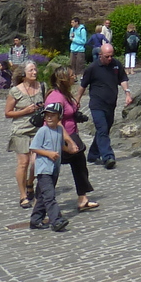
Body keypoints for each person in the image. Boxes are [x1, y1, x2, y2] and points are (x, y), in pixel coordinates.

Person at [46, 67, 97, 213]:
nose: (75, 77)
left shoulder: (65, 94)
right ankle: (41, 203)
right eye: (72, 75)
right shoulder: (55, 97)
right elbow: (54, 121)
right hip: (58, 140)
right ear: (64, 79)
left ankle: (83, 198)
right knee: (51, 173)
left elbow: (68, 112)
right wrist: (69, 141)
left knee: (80, 166)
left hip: (72, 135)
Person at [77, 43, 131, 170]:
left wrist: (127, 93)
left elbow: (122, 78)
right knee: (102, 129)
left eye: (111, 56)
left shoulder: (116, 64)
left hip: (111, 104)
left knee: (105, 130)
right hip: (97, 104)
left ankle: (92, 154)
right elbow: (83, 85)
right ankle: (108, 157)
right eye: (107, 56)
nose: (110, 59)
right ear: (100, 55)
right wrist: (77, 100)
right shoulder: (93, 68)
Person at [4, 61, 45, 208]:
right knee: (24, 163)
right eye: (31, 70)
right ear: (23, 74)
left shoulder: (41, 87)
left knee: (36, 162)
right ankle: (23, 195)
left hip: (38, 130)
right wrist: (24, 111)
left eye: (35, 69)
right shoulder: (16, 91)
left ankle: (30, 183)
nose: (34, 72)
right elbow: (8, 113)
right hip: (21, 131)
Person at [27, 101, 69, 231]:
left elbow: (60, 145)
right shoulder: (43, 130)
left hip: (54, 169)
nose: (49, 118)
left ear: (59, 117)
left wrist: (71, 149)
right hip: (44, 169)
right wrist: (48, 154)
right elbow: (34, 147)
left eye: (53, 115)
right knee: (50, 196)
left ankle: (36, 220)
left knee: (42, 196)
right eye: (47, 115)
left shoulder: (60, 130)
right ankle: (56, 220)